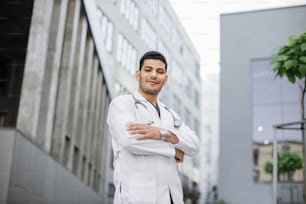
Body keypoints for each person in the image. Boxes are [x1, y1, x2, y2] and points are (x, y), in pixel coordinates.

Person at [107, 50, 200, 204]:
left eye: (160, 71)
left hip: (172, 198)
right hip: (137, 197)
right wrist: (174, 150)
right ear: (138, 75)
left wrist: (164, 134)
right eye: (148, 70)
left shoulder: (171, 115)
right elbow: (131, 141)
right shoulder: (122, 104)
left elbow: (194, 146)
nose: (154, 75)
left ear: (165, 79)